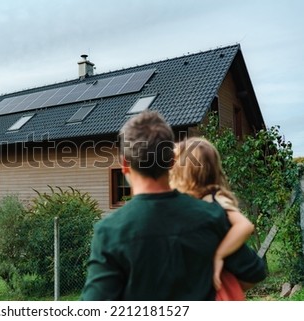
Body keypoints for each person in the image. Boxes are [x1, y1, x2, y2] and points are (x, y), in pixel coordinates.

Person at [80, 111, 266, 300]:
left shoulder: (110, 231)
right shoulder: (211, 215)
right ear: (171, 161)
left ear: (125, 165)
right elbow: (254, 273)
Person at [170, 137, 254, 299]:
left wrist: (219, 255)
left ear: (185, 172)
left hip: (218, 289)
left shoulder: (214, 199)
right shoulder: (197, 200)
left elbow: (245, 225)